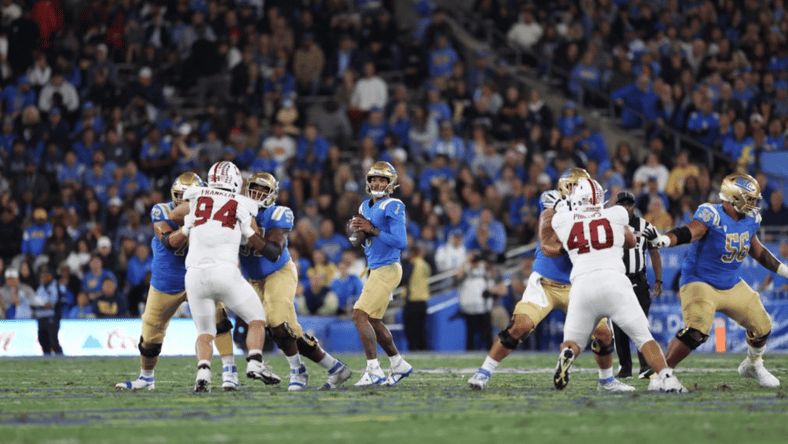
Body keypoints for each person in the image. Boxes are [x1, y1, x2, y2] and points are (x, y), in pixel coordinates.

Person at [468, 168, 633, 392]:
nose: (585, 190)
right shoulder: (553, 207)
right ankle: (483, 372)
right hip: (546, 282)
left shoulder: (595, 212)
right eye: (578, 185)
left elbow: (622, 238)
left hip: (579, 284)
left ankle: (606, 380)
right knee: (521, 326)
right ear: (568, 188)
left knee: (604, 334)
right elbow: (549, 247)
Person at [644, 173, 788, 388]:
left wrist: (785, 271)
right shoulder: (712, 214)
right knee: (696, 331)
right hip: (700, 281)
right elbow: (690, 232)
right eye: (750, 198)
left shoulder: (750, 219)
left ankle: (753, 364)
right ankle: (661, 374)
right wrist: (665, 240)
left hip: (731, 282)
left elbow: (759, 253)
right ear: (734, 198)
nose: (755, 203)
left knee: (763, 326)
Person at [550, 178, 687, 393]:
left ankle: (568, 353)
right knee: (644, 337)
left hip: (582, 285)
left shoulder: (562, 220)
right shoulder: (616, 214)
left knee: (573, 342)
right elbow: (631, 243)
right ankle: (668, 378)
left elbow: (557, 239)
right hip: (613, 281)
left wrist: (562, 207)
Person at [116, 172, 242, 391]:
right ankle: (146, 377)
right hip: (167, 281)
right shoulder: (161, 210)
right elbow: (169, 242)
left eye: (189, 197)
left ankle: (229, 371)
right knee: (150, 333)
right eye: (180, 196)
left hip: (200, 276)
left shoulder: (212, 214)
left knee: (220, 322)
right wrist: (189, 227)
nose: (183, 201)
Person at [239, 172, 352, 391]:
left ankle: (297, 370)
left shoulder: (280, 213)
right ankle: (335, 367)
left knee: (276, 320)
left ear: (273, 194)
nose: (258, 194)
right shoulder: (236, 212)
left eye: (264, 191)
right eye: (254, 189)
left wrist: (247, 230)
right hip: (252, 278)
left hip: (278, 271)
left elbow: (272, 251)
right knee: (287, 330)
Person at [177, 161, 280, 392]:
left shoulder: (195, 195)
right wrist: (247, 229)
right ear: (235, 180)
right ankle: (254, 362)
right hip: (224, 271)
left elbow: (175, 213)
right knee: (256, 319)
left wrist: (187, 223)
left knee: (204, 333)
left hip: (193, 275)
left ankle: (203, 372)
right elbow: (254, 238)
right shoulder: (244, 203)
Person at [348, 161, 412, 386]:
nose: (377, 183)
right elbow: (362, 240)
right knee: (373, 321)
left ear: (390, 183)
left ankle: (374, 369)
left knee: (359, 315)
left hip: (388, 268)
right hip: (375, 268)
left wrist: (371, 229)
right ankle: (398, 364)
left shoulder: (393, 205)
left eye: (382, 179)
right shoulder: (364, 207)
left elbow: (400, 242)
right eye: (373, 179)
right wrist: (357, 232)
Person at [612, 191, 663, 379]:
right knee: (618, 325)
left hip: (638, 280)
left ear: (634, 206)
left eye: (629, 204)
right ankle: (625, 367)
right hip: (617, 280)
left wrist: (658, 280)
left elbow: (655, 253)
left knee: (641, 322)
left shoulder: (645, 226)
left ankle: (645, 366)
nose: (626, 208)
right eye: (622, 204)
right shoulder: (610, 226)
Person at [31, 265, 65, 355]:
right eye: (42, 274)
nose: (44, 276)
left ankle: (62, 359)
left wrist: (43, 305)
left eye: (46, 274)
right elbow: (35, 302)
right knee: (43, 341)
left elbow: (53, 303)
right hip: (41, 318)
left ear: (51, 275)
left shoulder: (56, 286)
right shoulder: (40, 288)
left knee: (53, 341)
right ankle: (47, 361)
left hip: (52, 317)